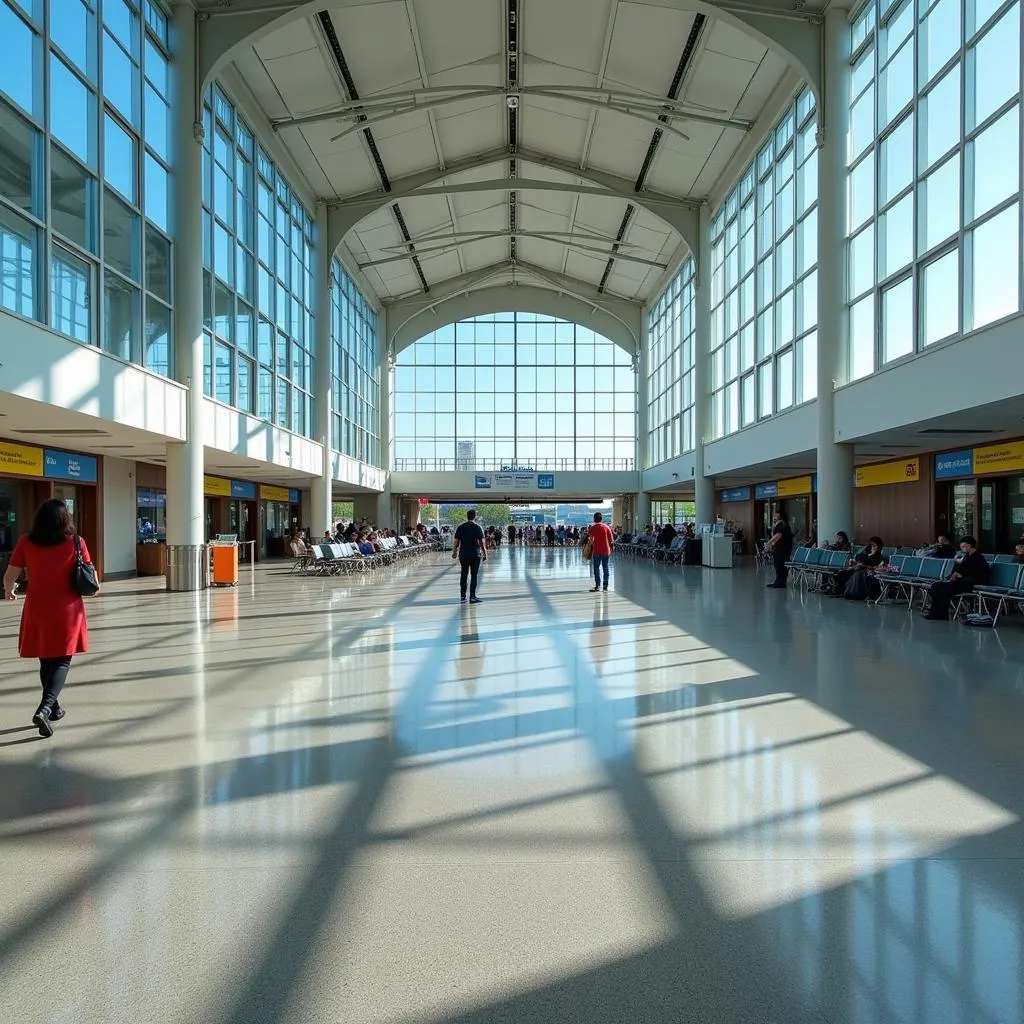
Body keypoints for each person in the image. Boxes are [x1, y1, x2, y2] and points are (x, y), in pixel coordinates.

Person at [2, 499, 97, 738]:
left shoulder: (25, 541)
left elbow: (9, 576)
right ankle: (44, 709)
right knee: (62, 661)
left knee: (46, 661)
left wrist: (9, 590)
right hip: (68, 609)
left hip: (38, 608)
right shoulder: (76, 542)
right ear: (66, 519)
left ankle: (54, 709)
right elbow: (91, 574)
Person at [923, 536, 991, 620]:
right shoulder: (966, 556)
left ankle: (940, 614)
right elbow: (960, 569)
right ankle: (936, 612)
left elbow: (980, 575)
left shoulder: (979, 558)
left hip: (970, 582)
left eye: (963, 547)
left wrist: (961, 576)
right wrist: (955, 570)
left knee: (944, 589)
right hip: (960, 581)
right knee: (936, 586)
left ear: (969, 546)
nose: (962, 549)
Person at [452, 509, 487, 604]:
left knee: (464, 574)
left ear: (467, 516)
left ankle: (463, 596)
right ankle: (472, 596)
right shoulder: (477, 527)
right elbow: (481, 542)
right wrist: (485, 553)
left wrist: (454, 552)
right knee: (474, 575)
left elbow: (456, 541)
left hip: (463, 554)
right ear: (475, 516)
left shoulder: (461, 527)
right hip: (475, 554)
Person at [766, 511, 794, 589]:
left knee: (780, 565)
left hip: (782, 549)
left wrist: (769, 543)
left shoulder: (782, 525)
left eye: (776, 516)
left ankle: (780, 582)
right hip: (781, 549)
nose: (774, 517)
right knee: (778, 565)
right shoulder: (780, 525)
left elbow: (778, 535)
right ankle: (779, 581)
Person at [587, 512, 614, 592]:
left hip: (597, 551)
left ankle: (598, 585)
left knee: (596, 568)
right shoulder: (607, 527)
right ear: (601, 519)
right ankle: (605, 585)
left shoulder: (592, 528)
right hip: (606, 551)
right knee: (605, 567)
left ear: (594, 519)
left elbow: (591, 540)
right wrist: (611, 549)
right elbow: (611, 541)